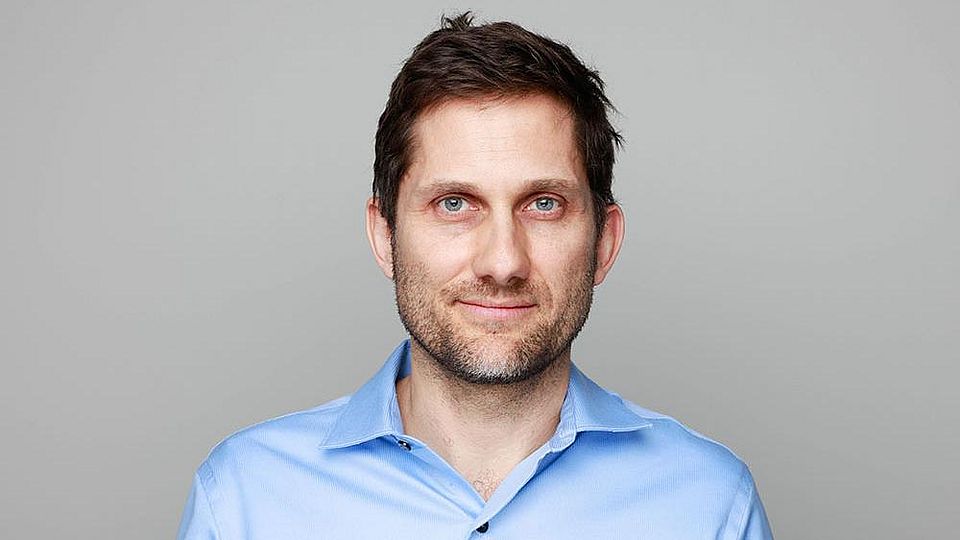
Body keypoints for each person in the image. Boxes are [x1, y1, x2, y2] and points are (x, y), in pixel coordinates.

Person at [177, 13, 773, 539]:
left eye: (544, 204)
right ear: (385, 236)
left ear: (603, 243)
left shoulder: (711, 506)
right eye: (455, 204)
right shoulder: (243, 501)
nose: (502, 263)